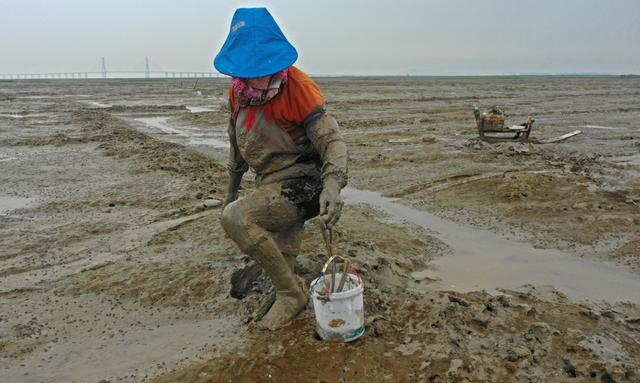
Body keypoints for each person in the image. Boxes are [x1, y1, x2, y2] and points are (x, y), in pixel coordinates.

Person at [214, 8, 348, 330]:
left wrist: (332, 185)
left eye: (267, 67)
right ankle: (281, 270)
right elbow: (237, 145)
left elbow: (332, 142)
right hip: (270, 182)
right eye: (252, 69)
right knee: (270, 255)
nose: (261, 77)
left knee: (236, 217)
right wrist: (231, 190)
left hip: (306, 183)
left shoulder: (298, 88)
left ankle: (291, 294)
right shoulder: (238, 94)